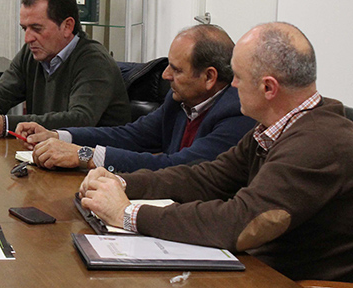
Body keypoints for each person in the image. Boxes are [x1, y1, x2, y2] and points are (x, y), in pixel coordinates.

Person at [79, 22, 353, 282]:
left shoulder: (318, 143)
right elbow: (206, 177)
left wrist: (128, 214)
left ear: (268, 87)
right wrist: (122, 182)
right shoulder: (274, 129)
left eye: (239, 77)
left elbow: (242, 220)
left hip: (287, 279)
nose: (232, 86)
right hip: (254, 268)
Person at [16, 24, 256, 172]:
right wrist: (60, 135)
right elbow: (132, 135)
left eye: (177, 69)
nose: (165, 75)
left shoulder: (237, 113)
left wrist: (84, 155)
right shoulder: (180, 99)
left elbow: (179, 167)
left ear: (209, 77)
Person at [0, 0, 130, 136]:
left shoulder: (94, 61)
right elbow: (0, 93)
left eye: (37, 28)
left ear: (67, 26)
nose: (28, 38)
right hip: (46, 157)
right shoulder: (32, 53)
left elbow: (80, 119)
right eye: (25, 29)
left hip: (94, 165)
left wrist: (3, 124)